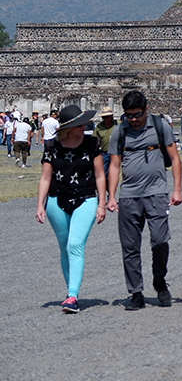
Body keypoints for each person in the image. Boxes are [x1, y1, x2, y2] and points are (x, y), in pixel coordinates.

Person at [107, 89, 182, 310]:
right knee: (130, 246)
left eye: (137, 114)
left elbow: (175, 158)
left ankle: (159, 280)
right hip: (129, 195)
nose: (133, 119)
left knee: (160, 240)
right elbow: (114, 165)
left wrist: (176, 190)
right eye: (129, 115)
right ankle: (136, 292)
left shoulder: (160, 126)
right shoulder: (119, 131)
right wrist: (111, 196)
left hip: (157, 192)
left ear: (146, 110)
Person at [36, 105, 106, 313]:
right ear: (69, 126)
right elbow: (45, 177)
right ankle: (70, 292)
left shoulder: (92, 143)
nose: (84, 125)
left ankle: (72, 296)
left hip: (86, 198)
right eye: (79, 122)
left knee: (75, 244)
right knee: (65, 246)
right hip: (56, 200)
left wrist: (102, 203)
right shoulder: (52, 146)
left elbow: (100, 175)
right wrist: (39, 204)